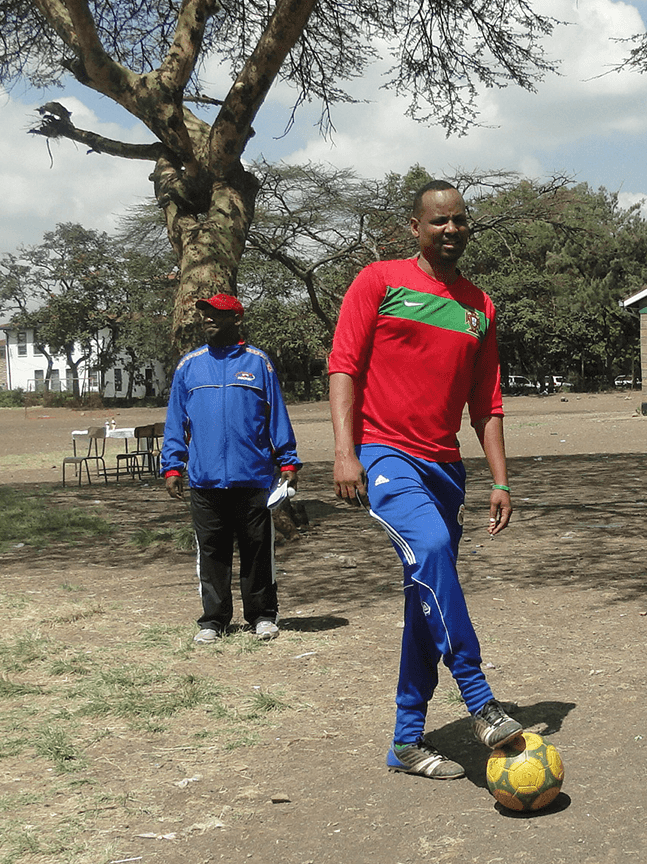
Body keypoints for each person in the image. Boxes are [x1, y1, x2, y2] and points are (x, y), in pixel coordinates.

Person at [327, 179, 524, 781]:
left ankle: (406, 741)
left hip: (446, 469)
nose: (451, 230)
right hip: (386, 455)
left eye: (460, 221)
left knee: (426, 595)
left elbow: (486, 402)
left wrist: (501, 481)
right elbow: (343, 366)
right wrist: (344, 451)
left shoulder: (480, 307)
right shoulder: (378, 280)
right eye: (439, 221)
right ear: (415, 227)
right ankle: (479, 697)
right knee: (432, 551)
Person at [161, 293, 301, 645]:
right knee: (211, 552)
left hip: (253, 476)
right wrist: (172, 466)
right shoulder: (188, 366)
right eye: (206, 314)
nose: (209, 319)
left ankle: (263, 616)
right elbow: (176, 421)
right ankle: (214, 620)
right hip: (205, 480)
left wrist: (287, 460)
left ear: (236, 319)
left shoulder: (259, 364)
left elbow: (277, 416)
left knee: (257, 551)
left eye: (218, 314)